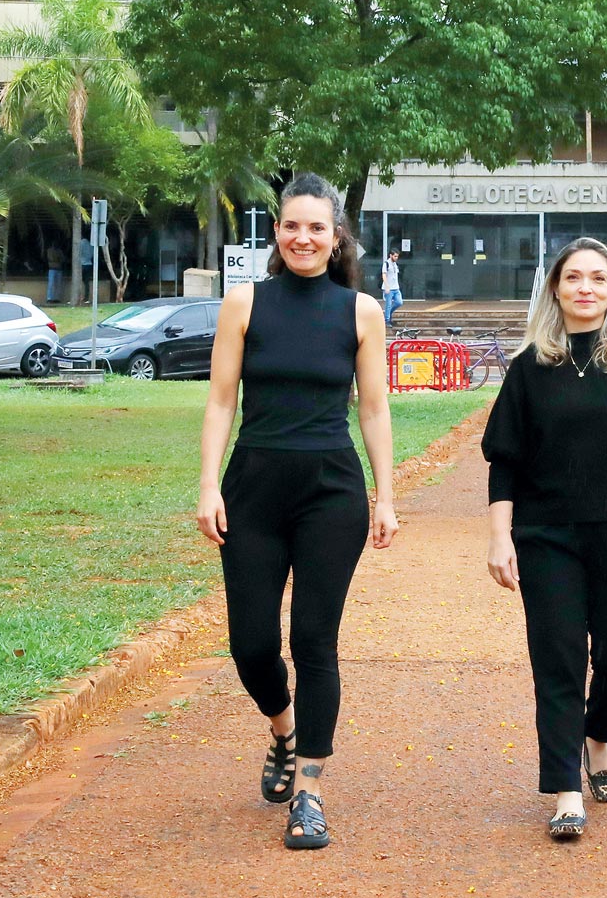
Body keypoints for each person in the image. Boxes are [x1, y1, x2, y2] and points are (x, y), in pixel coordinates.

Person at [195, 173, 399, 851]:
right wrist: (207, 485)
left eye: (317, 226)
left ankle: (309, 790)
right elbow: (222, 399)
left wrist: (386, 495)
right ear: (275, 233)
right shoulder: (245, 303)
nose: (303, 237)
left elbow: (372, 408)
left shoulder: (360, 311)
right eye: (291, 225)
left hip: (330, 490)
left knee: (313, 638)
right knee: (251, 643)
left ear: (335, 235)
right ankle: (282, 729)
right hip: (253, 484)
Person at [482, 237, 607, 841]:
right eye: (574, 277)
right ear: (556, 289)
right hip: (547, 534)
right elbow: (504, 462)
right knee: (559, 656)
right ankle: (565, 790)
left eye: (599, 278)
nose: (586, 288)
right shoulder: (529, 370)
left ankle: (600, 737)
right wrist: (500, 537)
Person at [380, 250, 403, 325]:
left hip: (396, 287)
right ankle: (387, 320)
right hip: (389, 288)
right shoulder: (386, 264)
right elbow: (384, 275)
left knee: (399, 302)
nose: (396, 258)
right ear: (390, 255)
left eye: (397, 256)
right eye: (395, 256)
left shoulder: (395, 264)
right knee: (388, 304)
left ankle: (388, 314)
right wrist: (386, 286)